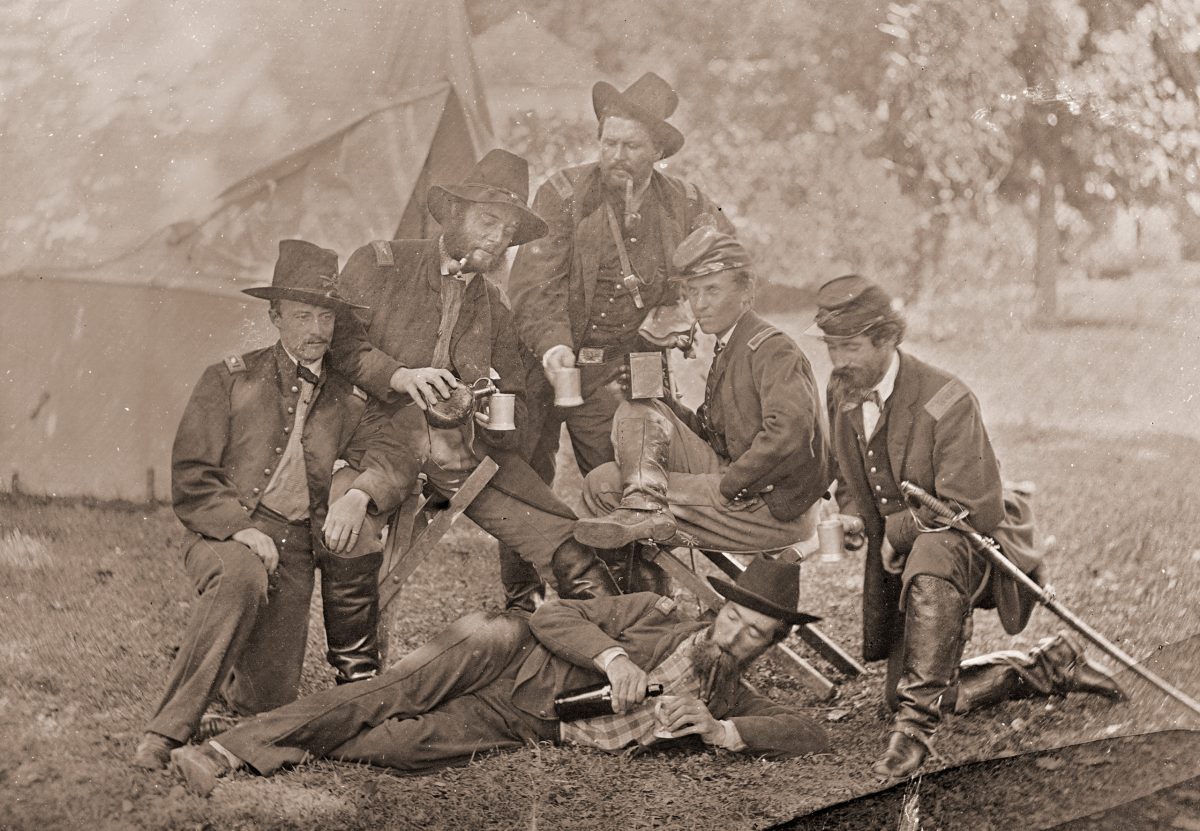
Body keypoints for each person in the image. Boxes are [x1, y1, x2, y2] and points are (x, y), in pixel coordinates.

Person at [167, 555, 829, 795]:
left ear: (768, 644)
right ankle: (227, 749)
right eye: (737, 619)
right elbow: (553, 613)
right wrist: (616, 657)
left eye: (757, 635)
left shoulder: (729, 689)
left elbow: (810, 734)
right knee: (386, 691)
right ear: (722, 606)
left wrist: (720, 731)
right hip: (502, 650)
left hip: (521, 722)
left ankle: (280, 737)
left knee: (401, 746)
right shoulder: (659, 613)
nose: (739, 636)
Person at [814, 274, 1125, 780]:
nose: (837, 359)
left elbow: (969, 509)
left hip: (976, 545)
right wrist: (852, 513)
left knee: (935, 558)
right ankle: (1049, 665)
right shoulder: (846, 389)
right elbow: (848, 471)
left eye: (849, 346)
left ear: (888, 338)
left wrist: (892, 533)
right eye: (831, 347)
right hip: (909, 554)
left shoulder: (947, 400)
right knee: (907, 692)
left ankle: (915, 733)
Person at [133, 240, 408, 770]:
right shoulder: (230, 377)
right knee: (241, 578)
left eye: (326, 317)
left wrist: (359, 492)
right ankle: (166, 732)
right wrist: (239, 528)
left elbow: (393, 453)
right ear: (275, 316)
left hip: (298, 546)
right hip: (225, 534)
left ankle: (228, 707)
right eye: (303, 315)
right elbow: (193, 474)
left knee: (266, 702)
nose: (316, 330)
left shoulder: (349, 396)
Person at [328, 149, 618, 609]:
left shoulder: (496, 308)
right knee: (350, 535)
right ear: (455, 214)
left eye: (507, 231)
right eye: (488, 222)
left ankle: (607, 644)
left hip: (459, 453)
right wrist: (399, 375)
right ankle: (359, 677)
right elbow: (339, 347)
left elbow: (518, 400)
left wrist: (490, 412)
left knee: (562, 537)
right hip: (367, 443)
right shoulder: (382, 265)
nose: (498, 238)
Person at [574, 225, 832, 561]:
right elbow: (714, 436)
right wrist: (664, 401)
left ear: (746, 291)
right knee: (636, 410)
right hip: (747, 483)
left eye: (712, 290)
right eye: (693, 293)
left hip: (771, 507)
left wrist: (730, 485)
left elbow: (789, 431)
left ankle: (626, 590)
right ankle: (643, 506)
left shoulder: (771, 348)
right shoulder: (733, 344)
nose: (700, 304)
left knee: (604, 484)